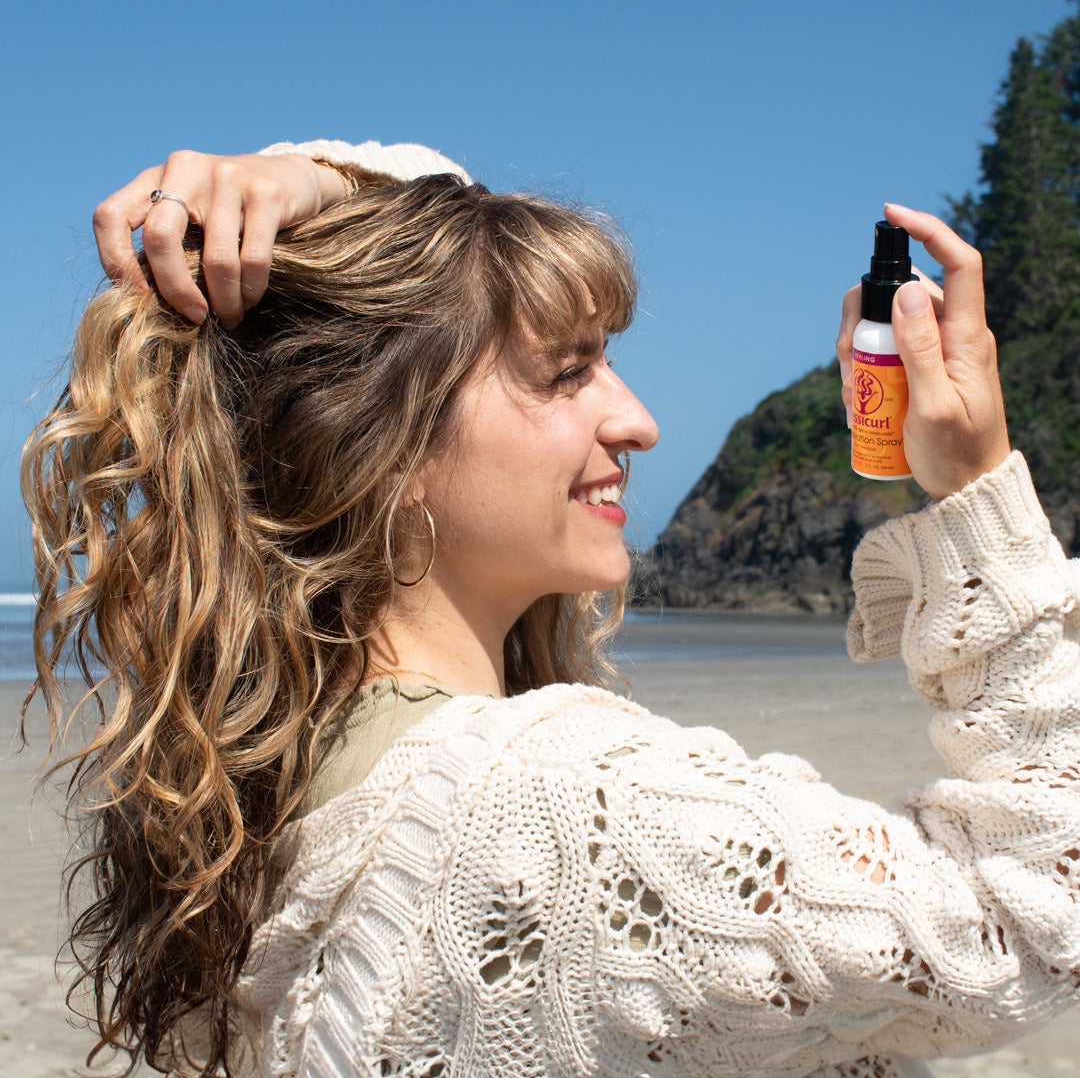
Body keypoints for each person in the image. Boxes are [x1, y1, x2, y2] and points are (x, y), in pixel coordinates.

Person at [22, 138, 1078, 1078]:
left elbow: (440, 259)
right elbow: (1041, 917)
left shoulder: (270, 782)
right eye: (568, 372)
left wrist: (330, 180)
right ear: (383, 443)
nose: (639, 421)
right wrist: (978, 494)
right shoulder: (571, 813)